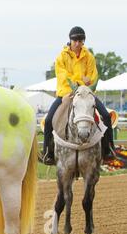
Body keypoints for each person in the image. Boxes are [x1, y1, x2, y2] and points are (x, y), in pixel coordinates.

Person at [42, 26, 114, 165]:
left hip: (87, 94)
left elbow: (93, 77)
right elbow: (64, 78)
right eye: (74, 39)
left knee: (106, 116)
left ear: (83, 41)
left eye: (80, 40)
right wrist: (82, 79)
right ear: (70, 40)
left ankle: (108, 150)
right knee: (50, 120)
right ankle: (48, 152)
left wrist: (80, 81)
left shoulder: (89, 56)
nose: (77, 42)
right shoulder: (61, 57)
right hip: (66, 93)